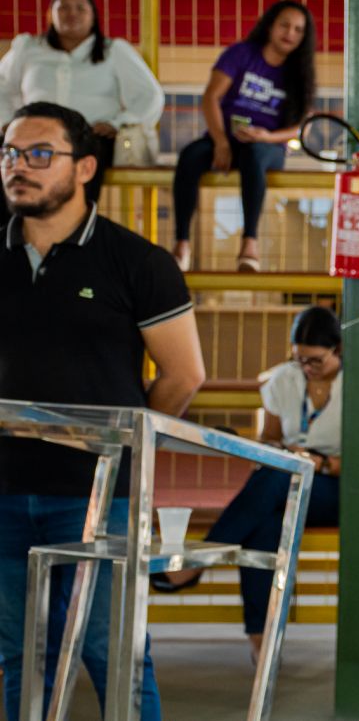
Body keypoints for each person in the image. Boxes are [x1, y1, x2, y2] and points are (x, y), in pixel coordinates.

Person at [0, 101, 205, 721]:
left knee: (112, 650)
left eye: (40, 153)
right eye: (10, 153)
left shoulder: (137, 262)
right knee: (18, 653)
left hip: (97, 494)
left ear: (85, 167)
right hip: (4, 492)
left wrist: (118, 444)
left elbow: (183, 375)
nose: (18, 166)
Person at [153, 305, 342, 662]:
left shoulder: (357, 385)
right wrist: (285, 452)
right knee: (266, 523)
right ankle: (263, 640)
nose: (306, 368)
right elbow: (269, 438)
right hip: (289, 480)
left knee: (277, 483)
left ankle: (202, 558)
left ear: (338, 350)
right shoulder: (284, 380)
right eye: (299, 359)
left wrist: (321, 463)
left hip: (336, 485)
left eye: (315, 361)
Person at [170, 0, 317, 273]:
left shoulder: (301, 72)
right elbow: (211, 97)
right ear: (270, 25)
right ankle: (182, 243)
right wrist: (221, 141)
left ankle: (250, 244)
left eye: (299, 30)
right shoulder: (241, 53)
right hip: (225, 138)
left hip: (267, 147)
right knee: (190, 155)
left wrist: (267, 136)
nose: (290, 33)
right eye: (285, 25)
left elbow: (301, 127)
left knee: (254, 155)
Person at [0, 0, 165, 207]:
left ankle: (75, 225)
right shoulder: (28, 48)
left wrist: (118, 123)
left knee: (81, 169)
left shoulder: (113, 50)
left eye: (80, 8)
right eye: (63, 8)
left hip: (90, 136)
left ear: (93, 16)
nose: (72, 13)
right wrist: (7, 122)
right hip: (32, 135)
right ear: (50, 14)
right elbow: (2, 87)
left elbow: (150, 96)